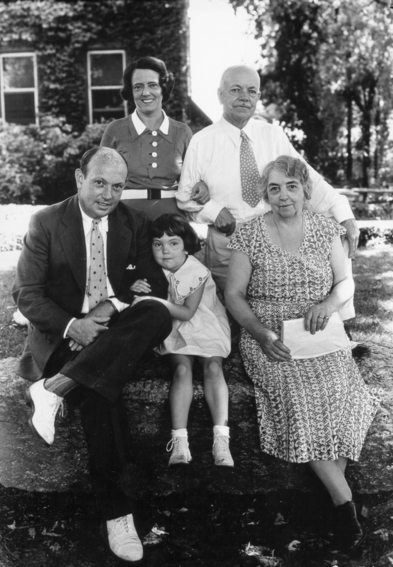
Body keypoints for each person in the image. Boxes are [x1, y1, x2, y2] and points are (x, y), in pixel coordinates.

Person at [12, 147, 172, 563]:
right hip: (62, 333)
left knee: (155, 313)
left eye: (118, 186)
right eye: (99, 183)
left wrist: (108, 308)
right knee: (103, 393)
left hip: (112, 330)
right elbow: (27, 294)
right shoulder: (47, 222)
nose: (108, 195)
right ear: (79, 178)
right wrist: (73, 326)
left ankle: (55, 389)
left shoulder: (133, 222)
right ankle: (119, 516)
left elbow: (152, 284)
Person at [224, 156, 381, 551]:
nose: (283, 196)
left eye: (291, 186)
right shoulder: (249, 234)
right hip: (271, 337)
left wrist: (328, 305)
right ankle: (344, 505)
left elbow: (345, 283)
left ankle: (333, 502)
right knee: (298, 396)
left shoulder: (326, 228)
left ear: (305, 189)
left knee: (341, 393)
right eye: (274, 188)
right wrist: (260, 333)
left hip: (322, 334)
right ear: (265, 194)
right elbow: (233, 295)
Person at [176, 65, 359, 300]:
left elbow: (307, 178)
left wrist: (344, 213)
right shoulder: (201, 141)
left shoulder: (272, 135)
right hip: (228, 242)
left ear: (258, 97)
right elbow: (184, 196)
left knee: (273, 311)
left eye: (252, 91)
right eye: (235, 90)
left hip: (273, 239)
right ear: (220, 94)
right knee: (234, 315)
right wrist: (215, 210)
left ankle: (335, 323)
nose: (244, 97)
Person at [130, 214, 233, 467]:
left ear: (186, 245)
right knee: (181, 369)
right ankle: (180, 441)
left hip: (205, 323)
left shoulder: (196, 270)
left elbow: (188, 312)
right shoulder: (153, 270)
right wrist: (136, 288)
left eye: (173, 243)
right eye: (157, 244)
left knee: (212, 367)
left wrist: (152, 301)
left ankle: (221, 438)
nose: (165, 251)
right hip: (175, 327)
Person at [100, 55, 204, 206]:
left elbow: (195, 181)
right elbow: (100, 180)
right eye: (138, 87)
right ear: (131, 91)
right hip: (125, 218)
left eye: (153, 85)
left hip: (172, 218)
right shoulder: (115, 130)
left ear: (163, 88)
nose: (145, 92)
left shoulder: (182, 131)